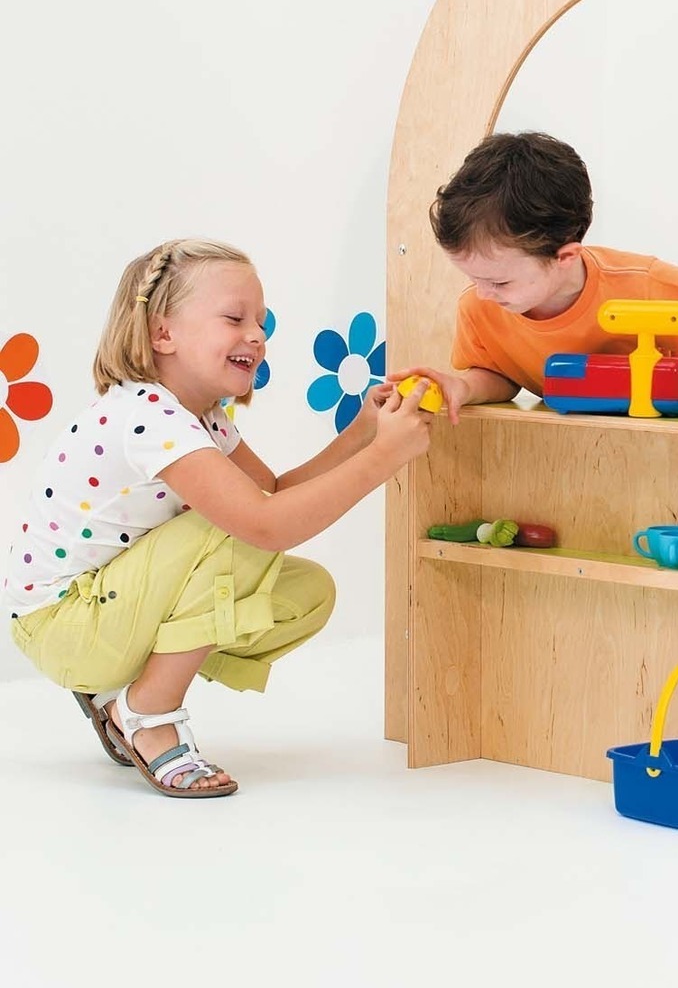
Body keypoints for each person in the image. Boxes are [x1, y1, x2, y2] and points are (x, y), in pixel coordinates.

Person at [1, 238, 433, 799]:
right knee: (239, 525)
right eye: (234, 318)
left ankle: (122, 694)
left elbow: (274, 492)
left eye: (261, 322)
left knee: (306, 592)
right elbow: (264, 523)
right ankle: (146, 713)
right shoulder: (149, 416)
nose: (256, 335)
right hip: (66, 623)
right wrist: (385, 459)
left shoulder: (201, 416)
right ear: (163, 334)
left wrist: (363, 434)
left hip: (108, 611)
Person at [392, 131, 678, 424]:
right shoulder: (480, 307)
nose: (482, 292)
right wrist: (462, 387)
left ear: (566, 256)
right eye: (472, 276)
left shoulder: (641, 284)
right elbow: (499, 374)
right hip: (604, 449)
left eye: (499, 282)